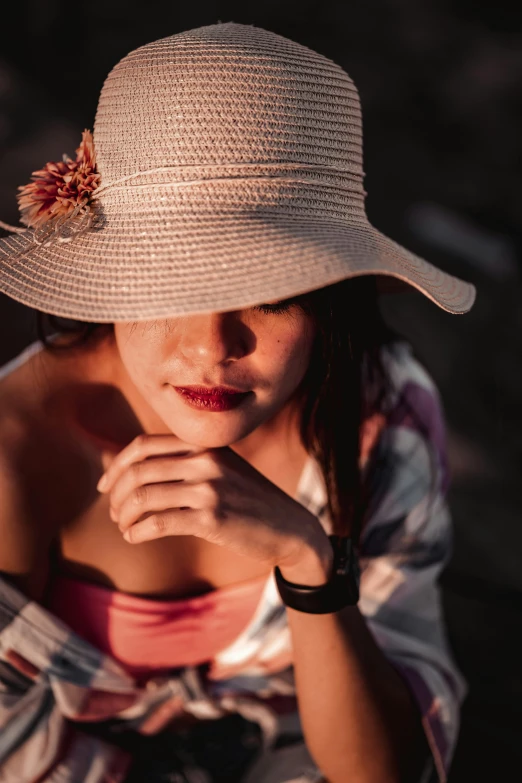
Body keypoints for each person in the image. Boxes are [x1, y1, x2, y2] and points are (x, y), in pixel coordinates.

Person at [0, 22, 475, 783]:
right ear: (109, 276)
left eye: (272, 296)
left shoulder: (383, 420)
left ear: (328, 299)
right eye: (171, 283)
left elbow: (382, 770)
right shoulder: (13, 456)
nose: (212, 348)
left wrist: (310, 563)